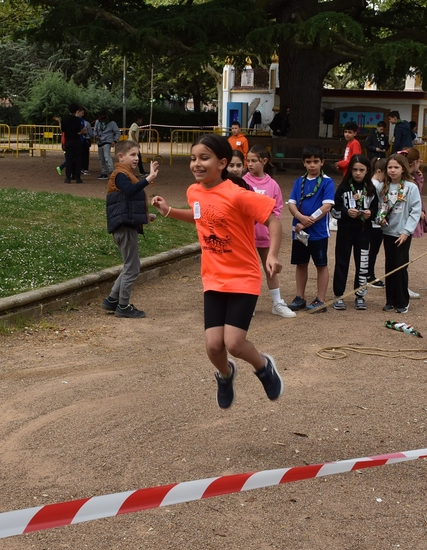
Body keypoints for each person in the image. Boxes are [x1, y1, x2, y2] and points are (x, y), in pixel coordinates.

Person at [150, 134, 285, 410]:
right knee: (213, 346)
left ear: (222, 163)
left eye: (204, 158)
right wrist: (169, 211)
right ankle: (226, 375)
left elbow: (273, 221)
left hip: (243, 277)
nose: (196, 164)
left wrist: (271, 255)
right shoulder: (194, 191)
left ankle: (263, 367)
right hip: (213, 278)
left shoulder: (238, 194)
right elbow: (199, 215)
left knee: (234, 343)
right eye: (193, 158)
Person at [102, 140, 160, 318]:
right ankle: (123, 306)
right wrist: (148, 178)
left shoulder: (125, 174)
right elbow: (130, 191)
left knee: (129, 265)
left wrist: (145, 216)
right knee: (133, 268)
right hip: (124, 228)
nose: (137, 158)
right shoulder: (120, 174)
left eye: (137, 154)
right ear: (121, 156)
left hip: (126, 225)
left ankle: (112, 300)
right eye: (133, 154)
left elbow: (126, 203)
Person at [243, 144, 296, 318]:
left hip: (265, 236)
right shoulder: (243, 182)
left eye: (253, 161)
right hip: (247, 236)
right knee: (250, 271)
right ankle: (247, 304)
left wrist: (268, 223)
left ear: (264, 161)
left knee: (270, 268)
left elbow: (277, 209)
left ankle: (277, 303)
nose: (249, 164)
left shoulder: (273, 185)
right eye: (248, 161)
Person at [286, 145, 335, 313]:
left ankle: (320, 299)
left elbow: (327, 206)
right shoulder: (299, 181)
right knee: (301, 263)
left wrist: (309, 220)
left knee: (321, 264)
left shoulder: (327, 182)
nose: (312, 165)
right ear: (303, 163)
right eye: (308, 162)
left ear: (322, 162)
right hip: (300, 230)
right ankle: (300, 297)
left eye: (316, 161)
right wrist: (300, 218)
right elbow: (291, 204)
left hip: (318, 232)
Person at [331, 154, 376, 310]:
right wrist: (345, 212)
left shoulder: (371, 188)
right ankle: (339, 295)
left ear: (367, 171)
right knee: (342, 261)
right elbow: (334, 209)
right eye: (355, 170)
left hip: (364, 231)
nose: (357, 173)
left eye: (361, 170)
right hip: (345, 230)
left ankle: (360, 295)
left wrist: (371, 213)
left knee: (363, 262)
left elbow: (377, 209)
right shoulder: (343, 188)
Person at [377, 154, 422, 313]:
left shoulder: (411, 187)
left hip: (402, 233)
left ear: (403, 168)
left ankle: (403, 301)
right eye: (390, 167)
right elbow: (380, 206)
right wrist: (380, 218)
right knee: (390, 265)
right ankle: (391, 299)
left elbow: (415, 211)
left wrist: (406, 231)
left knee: (400, 266)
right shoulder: (383, 187)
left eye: (396, 167)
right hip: (387, 232)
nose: (393, 170)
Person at [402, 147, 427, 300]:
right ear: (416, 162)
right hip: (404, 219)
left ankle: (401, 284)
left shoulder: (413, 177)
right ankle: (401, 286)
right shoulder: (407, 181)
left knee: (403, 254)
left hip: (409, 217)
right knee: (402, 255)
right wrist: (417, 211)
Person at [366, 157, 388, 288]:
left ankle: (368, 274)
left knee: (372, 250)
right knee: (372, 250)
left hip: (375, 222)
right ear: (379, 171)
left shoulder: (370, 183)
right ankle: (369, 275)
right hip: (375, 223)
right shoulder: (377, 186)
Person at [60, 104, 85, 183]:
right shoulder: (77, 120)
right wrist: (83, 131)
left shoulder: (64, 119)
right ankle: (77, 177)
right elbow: (78, 131)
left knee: (69, 159)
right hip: (76, 141)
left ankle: (68, 177)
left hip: (68, 141)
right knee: (78, 159)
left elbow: (63, 129)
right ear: (76, 111)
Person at [94, 114, 121, 179]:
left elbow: (117, 132)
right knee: (101, 158)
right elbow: (95, 131)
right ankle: (104, 173)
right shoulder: (97, 122)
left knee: (107, 157)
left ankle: (112, 171)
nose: (102, 120)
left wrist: (115, 140)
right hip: (100, 141)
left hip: (107, 141)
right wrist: (95, 136)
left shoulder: (112, 123)